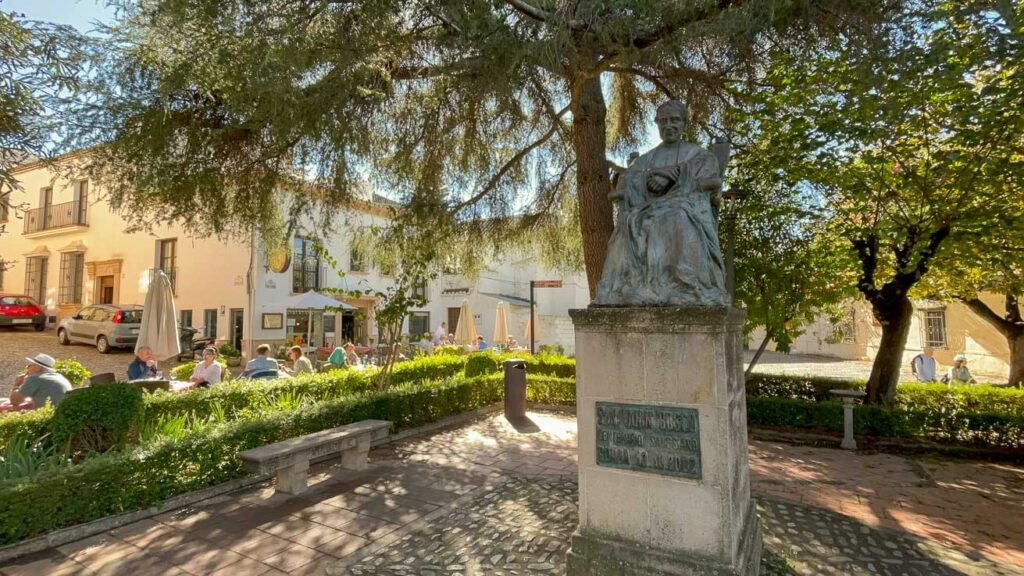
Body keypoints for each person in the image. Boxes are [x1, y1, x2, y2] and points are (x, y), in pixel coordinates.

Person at [595, 99, 727, 306]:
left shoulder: (699, 156)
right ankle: (630, 289)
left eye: (674, 120)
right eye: (663, 121)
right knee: (628, 223)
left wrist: (676, 177)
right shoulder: (645, 160)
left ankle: (685, 286)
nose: (668, 125)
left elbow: (712, 182)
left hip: (684, 209)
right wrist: (649, 178)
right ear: (657, 123)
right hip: (645, 212)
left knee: (678, 215)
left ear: (684, 123)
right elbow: (621, 190)